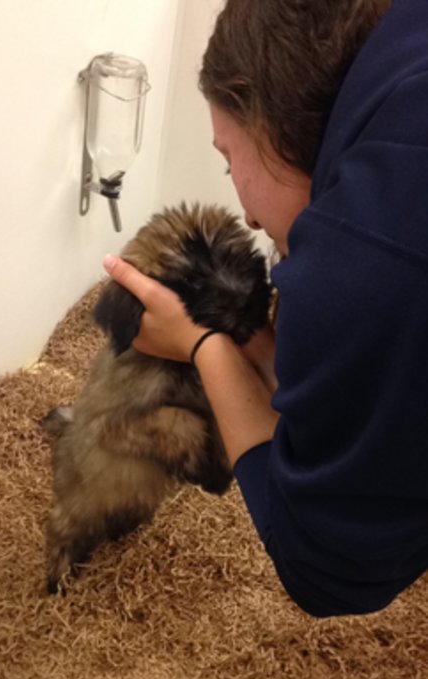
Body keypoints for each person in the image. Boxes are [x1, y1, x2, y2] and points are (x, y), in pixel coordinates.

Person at [102, 0, 428, 617]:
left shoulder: (358, 262)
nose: (248, 216)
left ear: (265, 114)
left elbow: (327, 571)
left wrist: (203, 345)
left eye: (228, 159)